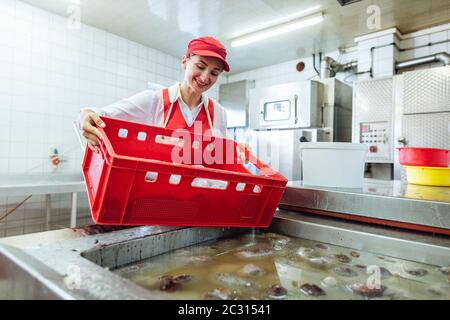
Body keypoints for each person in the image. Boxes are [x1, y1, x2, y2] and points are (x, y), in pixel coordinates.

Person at [78, 36, 230, 154]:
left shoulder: (218, 113)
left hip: (200, 193)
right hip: (154, 191)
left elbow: (218, 157)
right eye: (200, 66)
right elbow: (100, 114)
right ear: (185, 62)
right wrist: (85, 117)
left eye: (214, 73)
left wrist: (233, 153)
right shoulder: (154, 101)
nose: (205, 77)